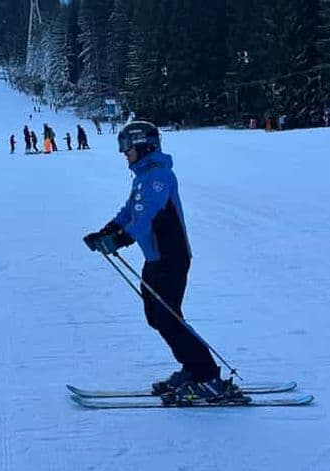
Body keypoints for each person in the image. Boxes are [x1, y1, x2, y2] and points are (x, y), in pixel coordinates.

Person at [82, 121, 243, 404]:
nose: (124, 153)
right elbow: (130, 211)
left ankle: (208, 377)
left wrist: (119, 240)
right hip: (155, 259)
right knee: (157, 318)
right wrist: (106, 231)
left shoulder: (158, 177)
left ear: (143, 145)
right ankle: (192, 369)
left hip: (172, 257)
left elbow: (144, 220)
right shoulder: (143, 177)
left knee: (169, 317)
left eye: (126, 146)